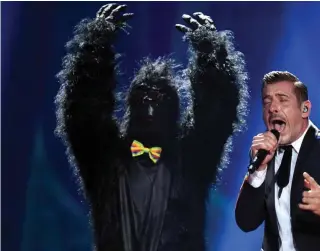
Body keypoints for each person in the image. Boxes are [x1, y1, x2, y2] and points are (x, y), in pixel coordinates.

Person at [55, 3, 248, 251]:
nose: (149, 110)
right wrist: (94, 48)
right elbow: (82, 112)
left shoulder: (191, 160)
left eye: (159, 101)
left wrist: (212, 55)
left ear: (173, 111)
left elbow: (217, 113)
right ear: (130, 107)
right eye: (143, 99)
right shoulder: (105, 160)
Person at [235, 71, 320, 251]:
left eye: (282, 100)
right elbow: (246, 222)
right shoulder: (266, 154)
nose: (272, 108)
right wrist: (258, 170)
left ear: (305, 109)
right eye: (267, 102)